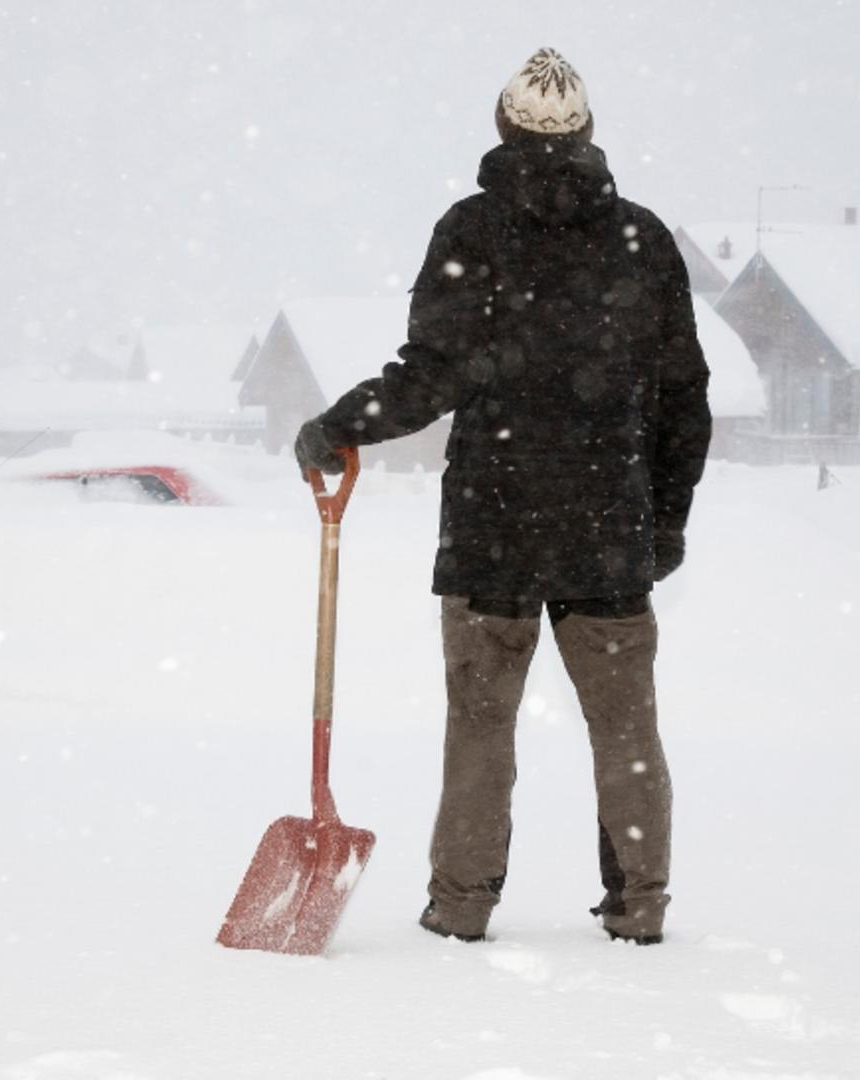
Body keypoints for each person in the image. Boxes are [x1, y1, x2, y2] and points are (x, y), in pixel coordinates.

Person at [294, 47, 711, 945]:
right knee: (626, 731)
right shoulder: (641, 237)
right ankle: (640, 906)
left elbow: (430, 372)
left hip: (496, 524)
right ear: (588, 132)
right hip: (607, 529)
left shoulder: (472, 231)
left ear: (501, 126)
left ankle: (461, 905)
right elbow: (686, 398)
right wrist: (661, 522)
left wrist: (340, 425)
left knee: (481, 729)